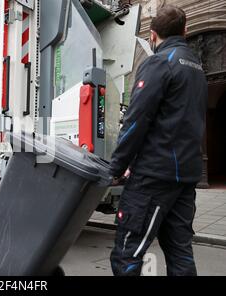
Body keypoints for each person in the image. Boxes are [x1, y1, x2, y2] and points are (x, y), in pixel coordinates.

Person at [109, 5, 208, 276]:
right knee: (180, 253)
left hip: (154, 176)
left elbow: (136, 121)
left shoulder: (159, 63)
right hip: (185, 176)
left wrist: (116, 168)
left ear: (152, 35)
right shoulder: (197, 68)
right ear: (185, 30)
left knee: (127, 252)